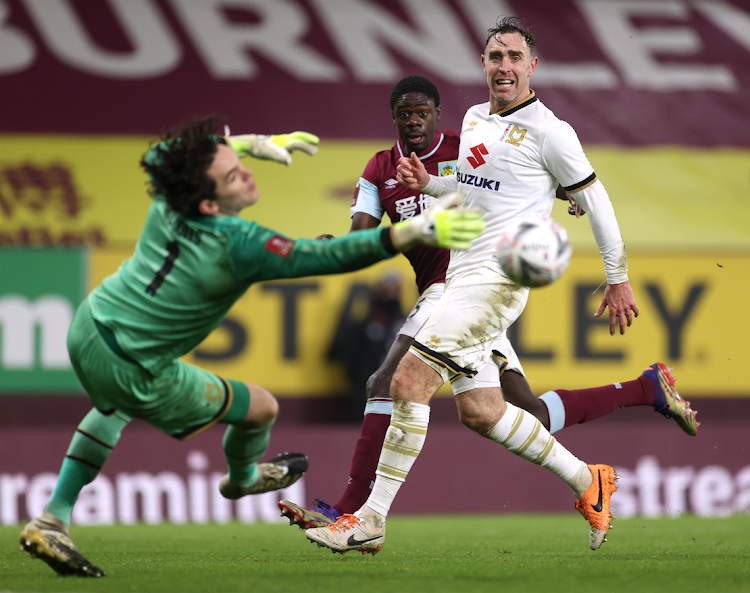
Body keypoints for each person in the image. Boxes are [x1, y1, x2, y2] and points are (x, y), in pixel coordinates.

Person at [18, 116, 485, 577]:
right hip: (136, 366)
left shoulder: (167, 199)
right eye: (231, 173)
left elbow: (165, 155)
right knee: (260, 407)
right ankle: (242, 480)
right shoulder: (237, 242)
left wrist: (250, 143)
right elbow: (327, 255)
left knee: (111, 407)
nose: (246, 172)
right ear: (207, 202)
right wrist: (413, 232)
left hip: (89, 326)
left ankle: (53, 517)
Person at [279, 75, 697, 531]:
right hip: (451, 296)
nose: (415, 121)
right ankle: (645, 391)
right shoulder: (378, 170)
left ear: (437, 114)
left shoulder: (469, 143)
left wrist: (569, 194)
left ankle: (350, 513)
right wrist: (331, 247)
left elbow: (525, 175)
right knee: (511, 411)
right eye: (405, 114)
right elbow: (360, 241)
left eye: (423, 112)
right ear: (394, 118)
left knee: (387, 382)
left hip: (468, 287)